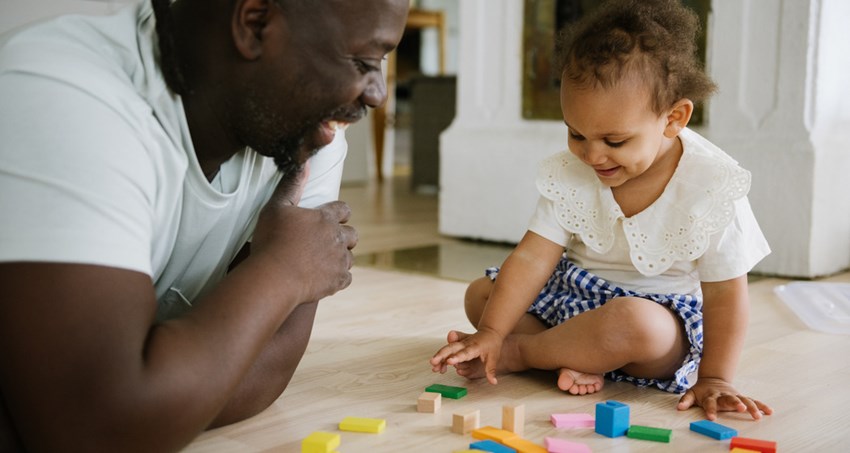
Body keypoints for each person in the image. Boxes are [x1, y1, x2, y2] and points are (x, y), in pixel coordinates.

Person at [0, 0, 408, 450]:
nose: (377, 94)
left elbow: (270, 367)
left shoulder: (307, 131)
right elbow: (94, 430)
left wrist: (153, 394)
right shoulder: (70, 96)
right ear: (254, 24)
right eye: (365, 61)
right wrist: (283, 271)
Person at [430, 0, 774, 422]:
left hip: (654, 325)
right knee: (481, 295)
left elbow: (725, 295)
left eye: (614, 141)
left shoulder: (712, 184)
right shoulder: (573, 169)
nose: (592, 155)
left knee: (635, 323)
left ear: (674, 118)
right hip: (574, 300)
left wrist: (716, 377)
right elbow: (534, 256)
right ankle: (571, 355)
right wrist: (490, 331)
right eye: (576, 133)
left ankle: (525, 353)